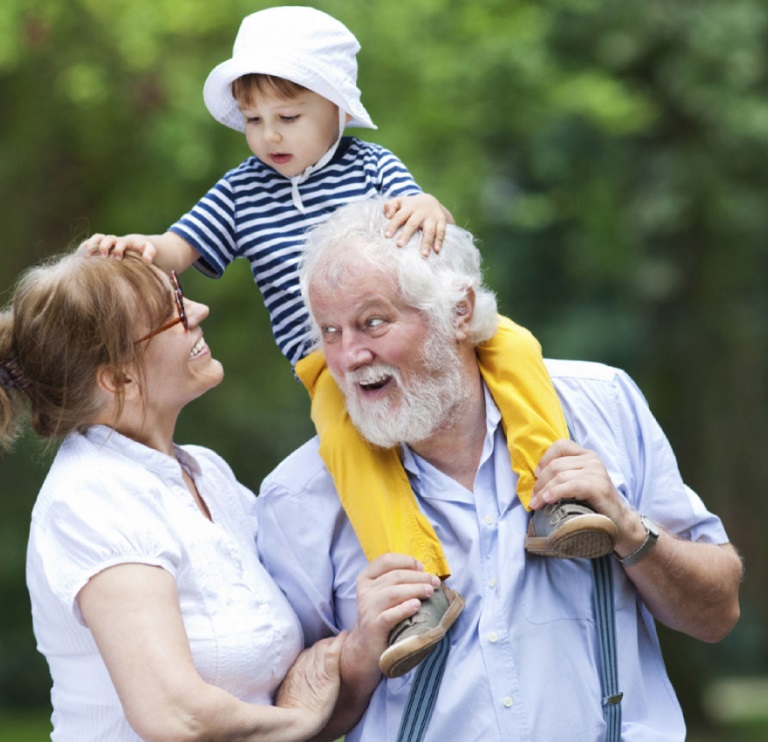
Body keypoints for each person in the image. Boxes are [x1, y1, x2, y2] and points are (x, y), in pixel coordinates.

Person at [79, 5, 615, 678]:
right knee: (347, 444)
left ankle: (553, 498)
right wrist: (139, 249)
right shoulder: (242, 191)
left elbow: (422, 212)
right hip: (327, 363)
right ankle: (418, 582)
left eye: (288, 116)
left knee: (517, 350)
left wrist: (429, 209)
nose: (269, 135)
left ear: (335, 108)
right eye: (253, 120)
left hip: (414, 327)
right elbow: (176, 247)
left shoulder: (372, 166)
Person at [256, 197, 744, 741]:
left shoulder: (603, 405)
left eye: (372, 323)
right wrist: (357, 653)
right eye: (329, 332)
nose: (347, 357)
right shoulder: (295, 498)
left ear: (459, 312)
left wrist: (631, 531)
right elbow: (286, 725)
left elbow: (717, 612)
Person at [0, 252, 345, 741]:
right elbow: (176, 716)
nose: (199, 311)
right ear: (117, 378)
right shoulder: (89, 499)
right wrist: (301, 722)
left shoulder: (206, 473)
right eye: (174, 313)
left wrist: (361, 645)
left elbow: (291, 680)